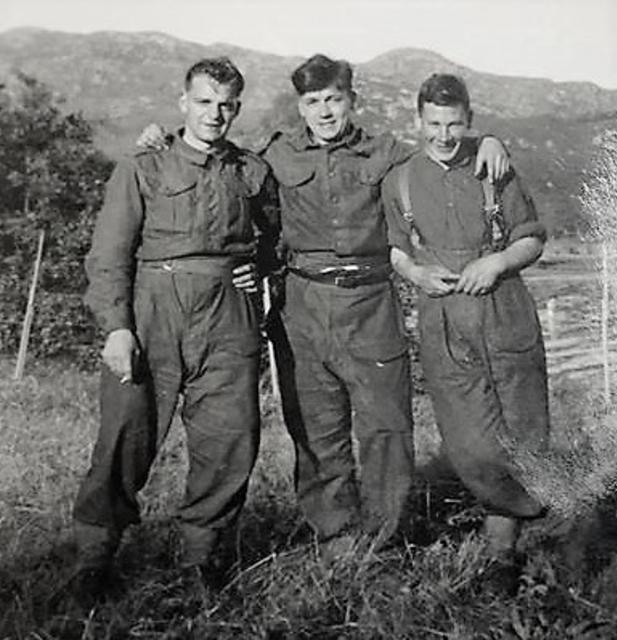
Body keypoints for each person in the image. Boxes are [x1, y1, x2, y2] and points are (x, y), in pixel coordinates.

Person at [136, 54, 509, 559]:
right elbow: (221, 169)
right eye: (313, 102)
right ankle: (335, 535)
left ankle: (382, 535)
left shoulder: (388, 153)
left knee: (386, 425)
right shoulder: (275, 155)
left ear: (352, 100)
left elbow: (439, 153)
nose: (326, 111)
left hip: (371, 301)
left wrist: (486, 140)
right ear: (300, 107)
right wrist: (161, 139)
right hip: (302, 305)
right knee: (316, 426)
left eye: (335, 99)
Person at [71, 57, 277, 596]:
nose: (216, 114)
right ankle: (94, 558)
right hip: (154, 310)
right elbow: (109, 255)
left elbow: (279, 238)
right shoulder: (144, 167)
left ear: (238, 107)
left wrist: (260, 274)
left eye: (227, 104)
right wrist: (117, 327)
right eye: (205, 101)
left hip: (229, 315)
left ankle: (203, 558)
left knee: (230, 437)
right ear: (183, 102)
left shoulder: (251, 172)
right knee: (125, 435)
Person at [382, 73, 548, 561]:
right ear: (419, 120)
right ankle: (520, 508)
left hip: (504, 304)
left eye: (454, 124)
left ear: (469, 121)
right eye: (433, 123)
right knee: (468, 437)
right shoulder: (402, 179)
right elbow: (395, 247)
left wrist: (497, 261)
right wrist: (415, 272)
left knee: (523, 426)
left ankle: (503, 548)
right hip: (443, 313)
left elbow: (532, 237)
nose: (444, 136)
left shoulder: (495, 165)